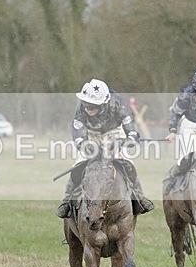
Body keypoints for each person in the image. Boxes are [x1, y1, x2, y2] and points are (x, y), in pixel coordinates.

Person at [55, 79, 154, 219]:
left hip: (114, 133)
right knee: (78, 164)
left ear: (103, 104)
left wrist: (127, 141)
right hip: (91, 134)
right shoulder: (80, 108)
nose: (88, 109)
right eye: (86, 105)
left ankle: (139, 197)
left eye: (92, 107)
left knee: (127, 163)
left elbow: (131, 129)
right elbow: (78, 134)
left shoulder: (118, 103)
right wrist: (88, 146)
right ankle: (67, 201)